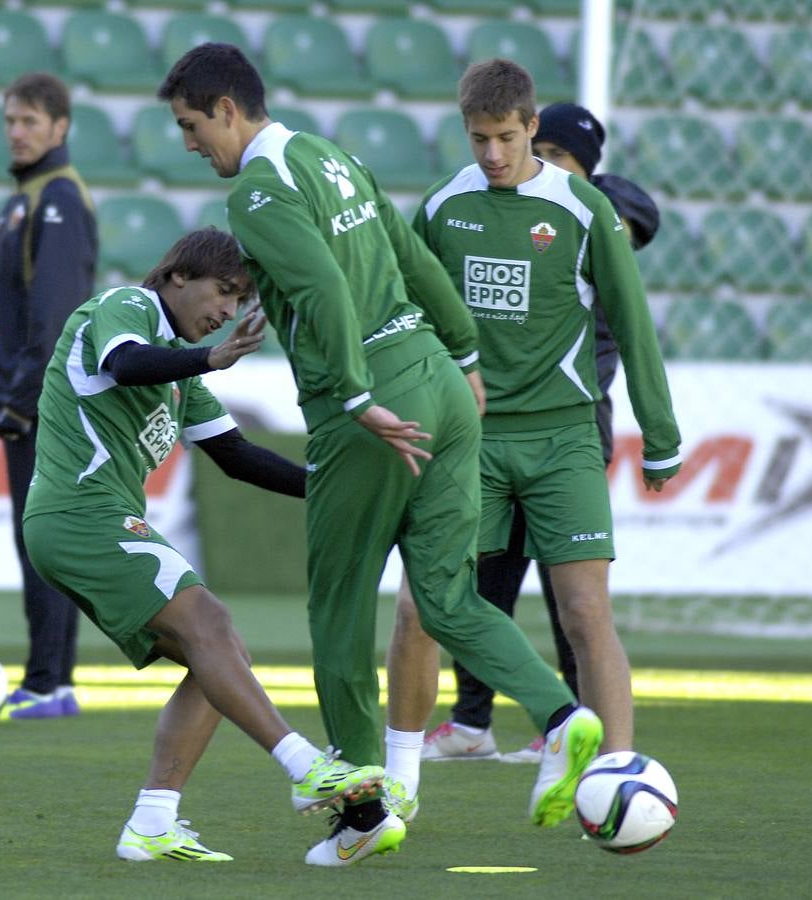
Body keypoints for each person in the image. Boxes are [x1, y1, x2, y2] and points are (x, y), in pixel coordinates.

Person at [157, 44, 603, 866]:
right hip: (437, 375)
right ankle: (563, 714)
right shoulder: (330, 154)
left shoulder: (258, 189)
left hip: (369, 408)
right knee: (445, 596)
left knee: (336, 611)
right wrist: (465, 355)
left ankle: (366, 813)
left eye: (190, 125)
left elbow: (326, 287)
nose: (189, 143)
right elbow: (408, 252)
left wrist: (356, 395)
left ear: (226, 108)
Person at [22, 228, 387, 863]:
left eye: (239, 297)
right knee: (212, 622)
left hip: (94, 520)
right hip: (79, 513)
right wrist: (210, 358)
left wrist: (333, 489)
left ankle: (152, 822)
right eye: (223, 291)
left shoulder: (181, 376)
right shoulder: (127, 309)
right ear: (177, 277)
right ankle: (304, 767)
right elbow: (123, 362)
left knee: (219, 655)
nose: (227, 309)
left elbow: (237, 457)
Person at [388, 60, 682, 794]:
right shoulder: (442, 207)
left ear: (531, 128)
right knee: (423, 606)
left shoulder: (583, 210)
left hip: (563, 439)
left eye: (508, 138)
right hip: (469, 442)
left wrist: (661, 432)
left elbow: (635, 327)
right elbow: (405, 314)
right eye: (479, 138)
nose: (492, 154)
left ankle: (613, 778)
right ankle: (397, 777)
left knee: (585, 611)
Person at [0, 73, 98, 721]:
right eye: (10, 121)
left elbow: (54, 316)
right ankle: (50, 680)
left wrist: (18, 398)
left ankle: (50, 682)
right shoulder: (26, 196)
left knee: (44, 540)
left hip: (43, 404)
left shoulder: (59, 200)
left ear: (60, 128)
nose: (17, 132)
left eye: (29, 121)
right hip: (25, 400)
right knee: (37, 539)